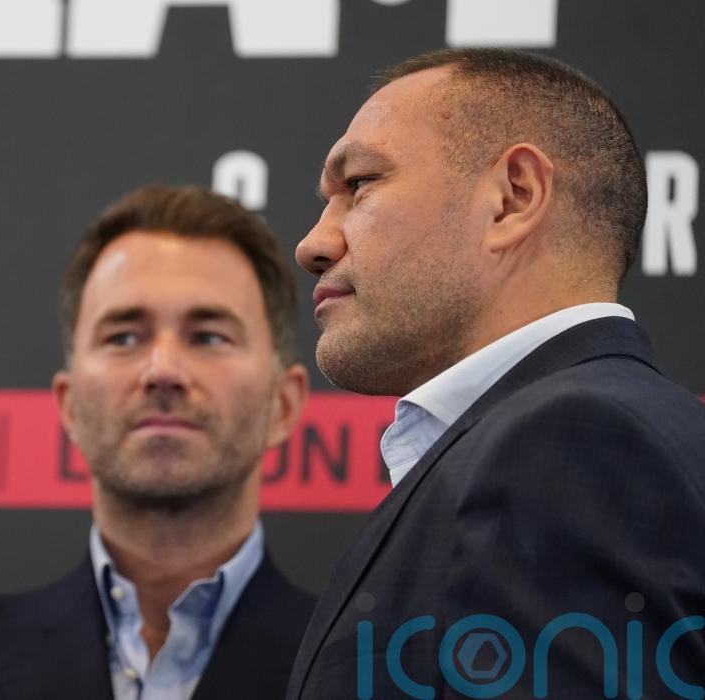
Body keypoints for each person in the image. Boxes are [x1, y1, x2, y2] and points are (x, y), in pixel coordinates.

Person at [285, 48, 705, 698]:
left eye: (360, 184)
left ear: (513, 198)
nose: (313, 244)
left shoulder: (570, 443)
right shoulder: (589, 434)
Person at [0, 185, 315, 699]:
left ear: (283, 404)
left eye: (209, 336)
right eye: (124, 337)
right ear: (70, 404)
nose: (163, 370)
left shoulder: (369, 669)